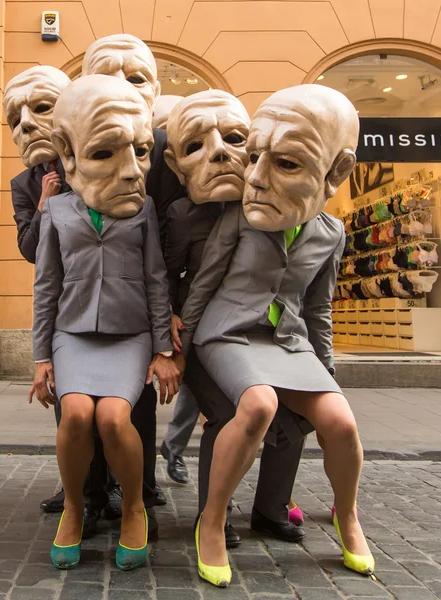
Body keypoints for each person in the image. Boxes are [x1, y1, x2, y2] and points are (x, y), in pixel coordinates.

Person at [175, 84, 374, 587]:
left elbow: (318, 306)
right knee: (258, 405)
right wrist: (178, 356)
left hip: (288, 342)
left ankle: (347, 515)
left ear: (336, 173)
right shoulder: (240, 217)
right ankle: (213, 522)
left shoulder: (332, 233)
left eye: (285, 164)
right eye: (255, 155)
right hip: (229, 336)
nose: (256, 178)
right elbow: (202, 286)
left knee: (341, 422)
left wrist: (325, 372)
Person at [30, 75, 180, 571]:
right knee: (75, 416)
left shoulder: (143, 210)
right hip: (72, 333)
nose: (131, 170)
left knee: (114, 418)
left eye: (138, 152)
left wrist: (163, 350)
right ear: (68, 157)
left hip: (130, 334)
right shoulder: (56, 211)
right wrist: (41, 356)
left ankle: (134, 507)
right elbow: (46, 286)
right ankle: (74, 509)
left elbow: (156, 280)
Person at [162, 90, 307, 545]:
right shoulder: (183, 216)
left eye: (234, 137)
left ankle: (270, 507)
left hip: (263, 334)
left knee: (294, 420)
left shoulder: (272, 204)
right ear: (175, 165)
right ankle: (213, 513)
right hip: (204, 331)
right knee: (225, 416)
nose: (220, 152)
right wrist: (167, 326)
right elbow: (164, 275)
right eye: (196, 146)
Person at [3, 66, 122, 533]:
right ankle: (79, 490)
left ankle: (115, 487)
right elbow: (31, 252)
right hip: (67, 310)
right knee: (71, 409)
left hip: (114, 305)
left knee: (112, 408)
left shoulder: (104, 160)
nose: (26, 124)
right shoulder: (24, 185)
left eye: (40, 108)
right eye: (14, 118)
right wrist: (44, 203)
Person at [81, 33, 185, 523]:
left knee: (136, 399)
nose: (123, 84)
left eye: (136, 76)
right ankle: (85, 489)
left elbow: (175, 233)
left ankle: (139, 485)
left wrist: (170, 307)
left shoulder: (165, 150)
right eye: (107, 74)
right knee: (78, 402)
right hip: (84, 301)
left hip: (145, 297)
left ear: (155, 88)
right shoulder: (76, 140)